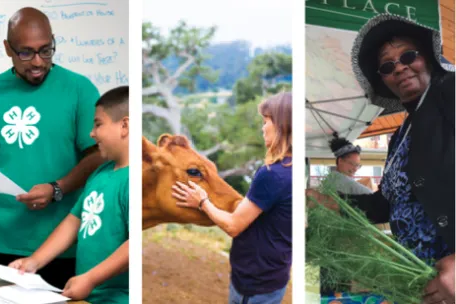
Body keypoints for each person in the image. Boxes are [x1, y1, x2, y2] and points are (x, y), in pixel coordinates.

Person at [311, 13, 455, 303]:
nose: (399, 67)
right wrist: (334, 203)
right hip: (421, 285)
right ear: (384, 79)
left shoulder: (450, 93)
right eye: (388, 66)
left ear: (427, 57)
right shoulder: (400, 134)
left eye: (408, 56)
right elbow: (387, 204)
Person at [0, 7, 104, 289]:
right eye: (26, 52)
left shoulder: (80, 89)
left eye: (46, 51)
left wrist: (57, 188)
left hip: (59, 245)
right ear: (7, 49)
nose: (37, 62)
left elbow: (98, 155)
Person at [10, 86, 129, 303]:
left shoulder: (133, 180)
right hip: (87, 295)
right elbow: (74, 221)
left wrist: (91, 279)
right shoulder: (100, 173)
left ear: (125, 126)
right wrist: (34, 261)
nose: (92, 133)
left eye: (98, 124)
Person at [172, 92, 292, 304]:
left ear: (282, 125)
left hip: (254, 285)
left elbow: (233, 226)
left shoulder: (272, 174)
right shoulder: (293, 170)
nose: (263, 128)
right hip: (273, 277)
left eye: (266, 122)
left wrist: (202, 201)